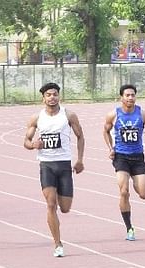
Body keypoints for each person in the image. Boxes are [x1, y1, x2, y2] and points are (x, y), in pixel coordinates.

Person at [24, 82, 85, 257]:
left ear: (59, 96)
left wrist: (80, 160)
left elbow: (80, 136)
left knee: (65, 208)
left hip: (64, 165)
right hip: (47, 165)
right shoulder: (36, 118)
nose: (52, 97)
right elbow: (26, 141)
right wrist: (33, 144)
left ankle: (60, 198)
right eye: (49, 95)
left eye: (55, 94)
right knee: (51, 204)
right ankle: (58, 244)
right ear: (43, 98)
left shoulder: (69, 115)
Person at [103, 84, 145, 242]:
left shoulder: (142, 114)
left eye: (132, 95)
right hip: (121, 157)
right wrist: (110, 148)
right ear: (121, 97)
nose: (130, 98)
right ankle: (129, 228)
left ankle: (136, 182)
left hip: (137, 157)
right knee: (123, 191)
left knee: (143, 194)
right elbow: (105, 130)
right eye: (127, 95)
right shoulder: (113, 115)